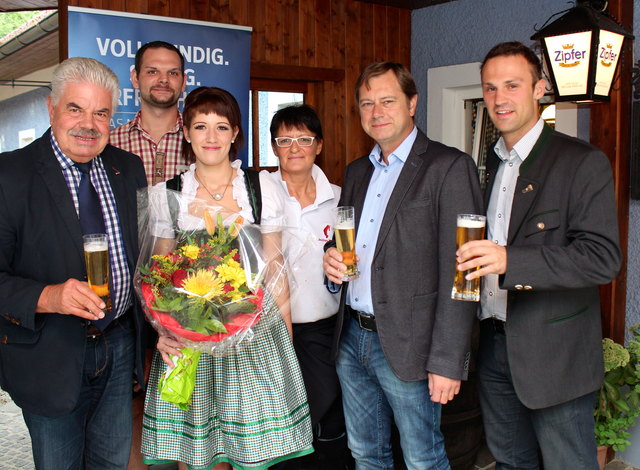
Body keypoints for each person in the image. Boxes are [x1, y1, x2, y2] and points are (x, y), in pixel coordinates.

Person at [455, 41, 622, 470]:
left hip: (555, 355)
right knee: (511, 463)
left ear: (540, 88)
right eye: (490, 88)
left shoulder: (581, 162)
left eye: (512, 85)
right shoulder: (491, 163)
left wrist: (511, 260)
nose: (499, 98)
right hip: (493, 343)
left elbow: (602, 258)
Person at [140, 86, 314, 470]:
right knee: (195, 455)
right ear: (185, 132)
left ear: (236, 133)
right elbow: (160, 274)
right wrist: (164, 330)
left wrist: (284, 335)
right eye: (200, 127)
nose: (211, 137)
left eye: (221, 127)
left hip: (252, 332)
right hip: (189, 335)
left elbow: (274, 265)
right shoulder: (166, 194)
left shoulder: (261, 186)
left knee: (250, 453)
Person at [322, 62, 483, 470]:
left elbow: (465, 272)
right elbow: (350, 239)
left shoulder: (449, 167)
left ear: (412, 103)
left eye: (388, 101)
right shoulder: (357, 171)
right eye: (367, 103)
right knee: (366, 455)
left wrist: (448, 361)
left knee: (423, 459)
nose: (376, 112)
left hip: (414, 345)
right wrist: (331, 253)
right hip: (351, 338)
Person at [0, 57, 147, 469]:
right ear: (51, 108)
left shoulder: (127, 169)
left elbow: (142, 259)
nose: (89, 123)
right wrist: (48, 296)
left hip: (118, 347)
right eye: (75, 109)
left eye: (101, 113)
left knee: (112, 463)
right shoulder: (10, 175)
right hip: (51, 353)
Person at [265, 104, 352, 469]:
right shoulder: (259, 193)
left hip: (324, 332)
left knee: (324, 418)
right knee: (275, 424)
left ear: (319, 145)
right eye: (285, 140)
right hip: (267, 332)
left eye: (304, 139)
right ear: (274, 147)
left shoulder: (339, 197)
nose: (295, 147)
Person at [110, 40, 187, 186]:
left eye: (173, 73)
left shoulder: (201, 143)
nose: (164, 80)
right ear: (135, 79)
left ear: (183, 82)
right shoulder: (110, 143)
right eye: (152, 71)